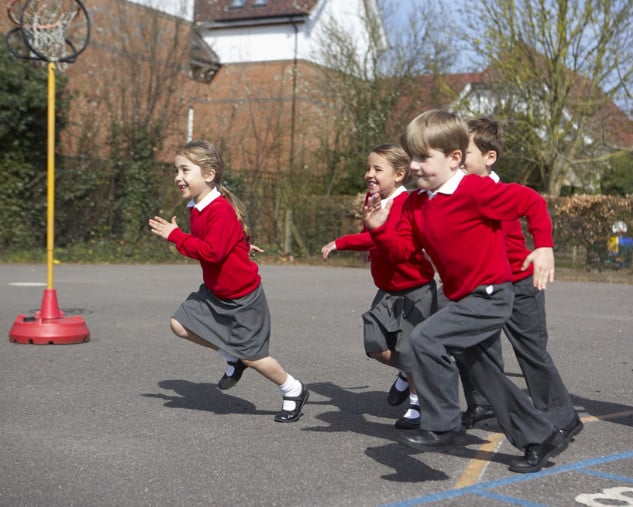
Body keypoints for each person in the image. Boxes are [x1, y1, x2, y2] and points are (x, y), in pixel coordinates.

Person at [364, 109, 568, 474]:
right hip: (462, 297)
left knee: (425, 339)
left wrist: (544, 245)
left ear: (454, 158)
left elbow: (531, 203)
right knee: (487, 375)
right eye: (412, 156)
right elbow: (404, 254)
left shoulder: (476, 191)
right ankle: (540, 435)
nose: (413, 166)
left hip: (490, 294)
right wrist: (379, 230)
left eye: (424, 157)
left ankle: (442, 424)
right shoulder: (416, 203)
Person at [148, 140, 309, 423]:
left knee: (254, 358)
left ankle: (293, 389)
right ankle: (231, 356)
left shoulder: (218, 208)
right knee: (179, 324)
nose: (178, 177)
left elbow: (211, 251)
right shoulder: (197, 206)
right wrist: (243, 244)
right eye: (176, 170)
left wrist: (175, 236)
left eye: (185, 170)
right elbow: (221, 239)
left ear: (208, 174)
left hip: (242, 297)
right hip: (215, 292)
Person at [457, 117, 582, 442]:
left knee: (531, 352)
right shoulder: (457, 191)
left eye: (465, 151)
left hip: (520, 284)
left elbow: (534, 205)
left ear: (489, 157)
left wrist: (543, 246)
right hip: (484, 285)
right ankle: (482, 404)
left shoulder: (499, 192)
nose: (457, 157)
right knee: (472, 345)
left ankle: (563, 417)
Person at [322, 144, 437, 429]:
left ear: (399, 175)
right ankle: (406, 371)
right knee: (374, 346)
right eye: (368, 168)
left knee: (410, 349)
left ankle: (417, 404)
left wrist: (342, 243)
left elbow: (380, 238)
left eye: (377, 169)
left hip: (415, 289)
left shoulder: (406, 204)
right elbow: (370, 231)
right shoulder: (372, 199)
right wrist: (365, 239)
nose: (369, 174)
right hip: (387, 288)